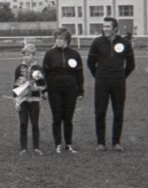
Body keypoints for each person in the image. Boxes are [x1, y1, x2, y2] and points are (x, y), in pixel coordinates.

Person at [87, 17, 136, 152]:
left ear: (115, 28)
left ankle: (116, 142)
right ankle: (101, 143)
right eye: (104, 26)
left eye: (108, 26)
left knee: (118, 112)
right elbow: (90, 63)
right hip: (101, 81)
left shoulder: (125, 43)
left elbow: (131, 65)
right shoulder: (97, 42)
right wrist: (98, 76)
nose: (105, 29)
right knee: (100, 112)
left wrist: (120, 76)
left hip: (118, 82)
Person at [43, 29, 85, 154]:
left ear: (67, 40)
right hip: (54, 90)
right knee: (57, 117)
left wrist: (80, 91)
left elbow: (79, 74)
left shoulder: (75, 54)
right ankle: (57, 144)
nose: (58, 41)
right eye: (57, 38)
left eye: (61, 38)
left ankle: (68, 144)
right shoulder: (49, 54)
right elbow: (45, 74)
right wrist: (44, 89)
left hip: (71, 90)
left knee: (68, 118)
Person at [13, 43, 46, 155]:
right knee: (23, 123)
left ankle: (36, 147)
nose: (26, 57)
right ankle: (23, 147)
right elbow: (15, 85)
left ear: (33, 55)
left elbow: (44, 84)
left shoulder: (38, 68)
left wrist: (37, 88)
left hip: (34, 100)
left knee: (35, 123)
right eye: (24, 55)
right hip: (22, 100)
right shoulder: (19, 68)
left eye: (28, 55)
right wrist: (16, 100)